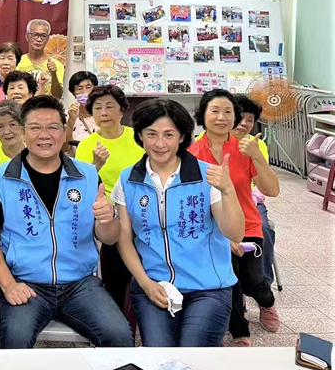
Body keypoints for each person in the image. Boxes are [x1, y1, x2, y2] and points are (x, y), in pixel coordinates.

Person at [0, 95, 133, 349]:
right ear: (24, 132)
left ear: (63, 131)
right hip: (25, 281)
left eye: (52, 127)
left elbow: (109, 237)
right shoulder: (1, 178)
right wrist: (8, 285)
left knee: (119, 335)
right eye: (35, 127)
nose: (44, 135)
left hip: (79, 283)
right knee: (15, 340)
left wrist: (108, 219)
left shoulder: (87, 174)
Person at [114, 99, 244, 347]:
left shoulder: (208, 175)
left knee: (192, 354)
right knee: (160, 356)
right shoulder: (128, 179)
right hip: (154, 284)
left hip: (208, 287)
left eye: (168, 135)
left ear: (182, 136)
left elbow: (235, 233)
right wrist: (146, 284)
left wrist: (228, 191)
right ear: (140, 135)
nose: (159, 143)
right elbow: (125, 240)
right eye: (151, 134)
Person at [188, 90, 281, 346]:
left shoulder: (245, 148)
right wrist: (223, 237)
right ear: (203, 115)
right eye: (215, 111)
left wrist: (257, 155)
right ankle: (240, 331)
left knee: (252, 280)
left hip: (248, 226)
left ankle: (267, 302)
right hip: (210, 229)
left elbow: (272, 190)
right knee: (227, 280)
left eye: (228, 112)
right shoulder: (191, 153)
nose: (222, 117)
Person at [75, 85, 143, 313]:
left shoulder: (138, 137)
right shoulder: (87, 145)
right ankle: (117, 308)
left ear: (122, 110)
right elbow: (81, 188)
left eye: (110, 106)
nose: (103, 113)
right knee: (114, 252)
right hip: (108, 213)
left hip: (142, 208)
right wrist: (96, 166)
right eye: (97, 108)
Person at [230, 95, 276, 285]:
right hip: (216, 202)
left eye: (250, 120)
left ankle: (263, 284)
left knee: (264, 229)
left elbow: (265, 182)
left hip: (249, 200)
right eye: (240, 118)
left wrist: (254, 196)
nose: (244, 124)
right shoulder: (202, 142)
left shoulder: (257, 144)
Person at [16, 19, 63, 98]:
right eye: (35, 35)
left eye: (43, 36)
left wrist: (53, 74)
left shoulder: (56, 65)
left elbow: (57, 96)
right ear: (27, 37)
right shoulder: (18, 62)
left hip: (47, 105)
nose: (39, 39)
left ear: (48, 39)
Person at [66, 71, 99, 146]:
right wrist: (71, 120)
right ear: (73, 92)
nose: (85, 92)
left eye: (88, 87)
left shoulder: (103, 114)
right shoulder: (66, 115)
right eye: (80, 89)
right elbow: (65, 147)